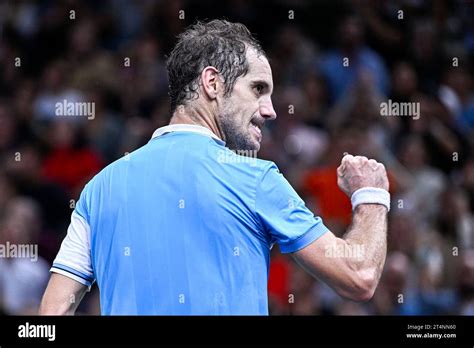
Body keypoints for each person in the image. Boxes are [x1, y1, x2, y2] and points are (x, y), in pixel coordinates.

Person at [39, 19, 390, 315]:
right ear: (212, 83)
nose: (270, 110)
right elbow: (358, 276)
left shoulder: (99, 188)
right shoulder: (256, 180)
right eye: (258, 89)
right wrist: (370, 194)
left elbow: (51, 316)